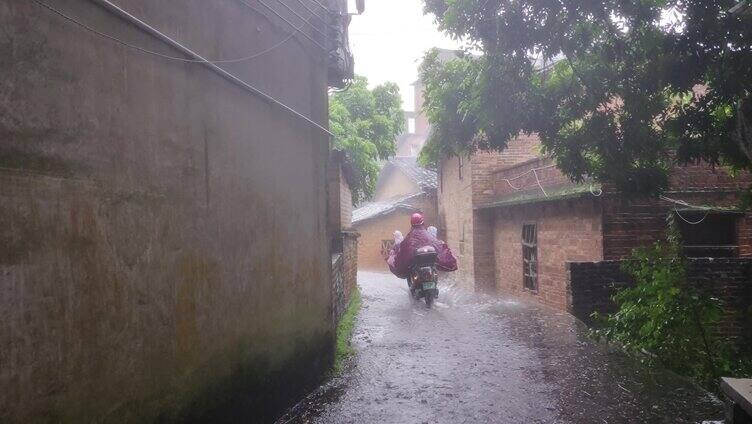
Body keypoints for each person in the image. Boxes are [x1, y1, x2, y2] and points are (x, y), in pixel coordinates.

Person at [391, 213, 457, 279]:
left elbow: (403, 252)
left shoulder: (410, 237)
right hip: (423, 266)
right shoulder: (427, 235)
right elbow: (437, 245)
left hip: (419, 267)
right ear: (422, 222)